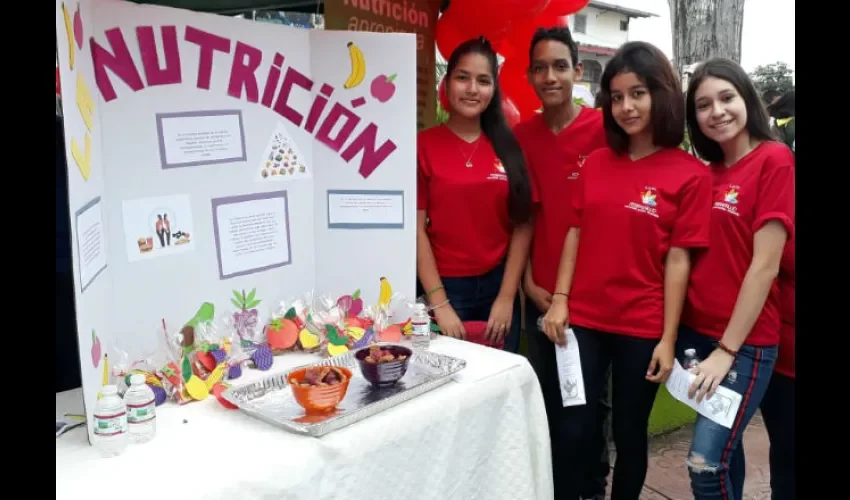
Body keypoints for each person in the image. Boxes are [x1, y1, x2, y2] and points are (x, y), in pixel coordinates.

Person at [542, 40, 714, 500]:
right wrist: (560, 299)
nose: (626, 106)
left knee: (630, 432)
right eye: (616, 97)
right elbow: (575, 231)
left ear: (661, 93)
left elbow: (679, 260)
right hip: (585, 322)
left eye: (637, 93)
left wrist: (668, 338)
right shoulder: (597, 162)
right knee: (575, 425)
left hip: (642, 325)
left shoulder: (690, 175)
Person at [681, 58, 795, 500]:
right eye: (704, 105)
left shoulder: (774, 160)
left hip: (743, 343)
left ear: (746, 97)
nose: (717, 112)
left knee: (705, 465)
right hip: (699, 336)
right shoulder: (705, 173)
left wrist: (727, 351)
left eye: (726, 97)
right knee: (727, 457)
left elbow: (765, 265)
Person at [513, 26, 610, 500]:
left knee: (587, 409)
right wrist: (529, 284)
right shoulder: (522, 136)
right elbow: (524, 216)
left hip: (590, 299)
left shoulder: (603, 129)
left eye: (559, 66)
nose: (549, 76)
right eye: (540, 68)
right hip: (540, 296)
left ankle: (590, 488)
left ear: (576, 70)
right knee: (550, 403)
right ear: (529, 75)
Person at [416, 37, 532, 353]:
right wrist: (439, 303)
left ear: (494, 90)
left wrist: (507, 297)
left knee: (498, 385)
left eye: (483, 81)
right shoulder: (423, 145)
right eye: (463, 77)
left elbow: (523, 224)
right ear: (447, 83)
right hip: (444, 286)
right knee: (443, 387)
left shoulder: (509, 148)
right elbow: (415, 230)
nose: (472, 89)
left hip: (498, 286)